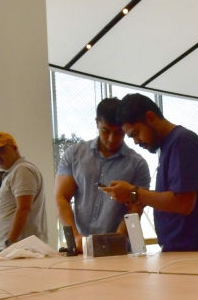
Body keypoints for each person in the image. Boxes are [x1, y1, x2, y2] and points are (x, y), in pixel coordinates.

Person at [101, 93, 198, 252]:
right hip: (182, 251)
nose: (136, 141)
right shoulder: (171, 145)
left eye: (135, 133)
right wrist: (139, 195)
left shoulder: (182, 142)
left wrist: (133, 193)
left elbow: (184, 203)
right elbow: (176, 198)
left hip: (192, 252)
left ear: (150, 117)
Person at [55, 98, 151, 250]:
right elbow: (61, 198)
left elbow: (136, 208)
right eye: (105, 131)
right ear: (96, 123)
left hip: (119, 249)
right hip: (81, 247)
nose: (112, 139)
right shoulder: (74, 155)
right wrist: (75, 236)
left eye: (119, 133)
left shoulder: (138, 164)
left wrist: (117, 239)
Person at [0, 132, 48, 252]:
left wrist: (9, 243)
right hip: (17, 249)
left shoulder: (22, 170)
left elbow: (24, 208)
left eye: (0, 150)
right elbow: (16, 207)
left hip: (20, 249)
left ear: (14, 148)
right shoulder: (13, 172)